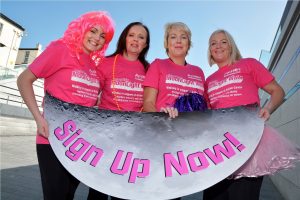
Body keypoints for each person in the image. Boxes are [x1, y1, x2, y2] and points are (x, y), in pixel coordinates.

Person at [17, 11, 115, 200]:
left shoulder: (95, 66)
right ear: (82, 29)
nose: (96, 38)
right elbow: (24, 80)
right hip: (53, 138)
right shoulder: (61, 49)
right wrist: (38, 118)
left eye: (103, 36)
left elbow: (91, 102)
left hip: (81, 144)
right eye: (93, 31)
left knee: (68, 194)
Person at [203, 29, 300, 200]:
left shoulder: (249, 64)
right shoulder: (208, 81)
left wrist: (267, 109)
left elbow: (277, 91)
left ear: (231, 45)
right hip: (218, 147)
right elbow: (208, 115)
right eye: (213, 43)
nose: (218, 46)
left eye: (223, 41)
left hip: (248, 142)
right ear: (209, 50)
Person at [143, 22, 206, 200]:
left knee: (174, 192)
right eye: (173, 37)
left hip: (187, 142)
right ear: (166, 43)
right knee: (155, 189)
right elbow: (147, 103)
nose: (178, 41)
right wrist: (160, 115)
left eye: (183, 37)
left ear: (189, 43)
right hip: (162, 137)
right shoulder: (158, 65)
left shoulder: (199, 72)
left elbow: (203, 109)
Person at [97, 22, 150, 113]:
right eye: (131, 35)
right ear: (124, 38)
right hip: (106, 123)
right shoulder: (106, 62)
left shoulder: (149, 69)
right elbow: (91, 94)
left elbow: (152, 101)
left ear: (145, 44)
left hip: (138, 124)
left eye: (141, 37)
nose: (135, 39)